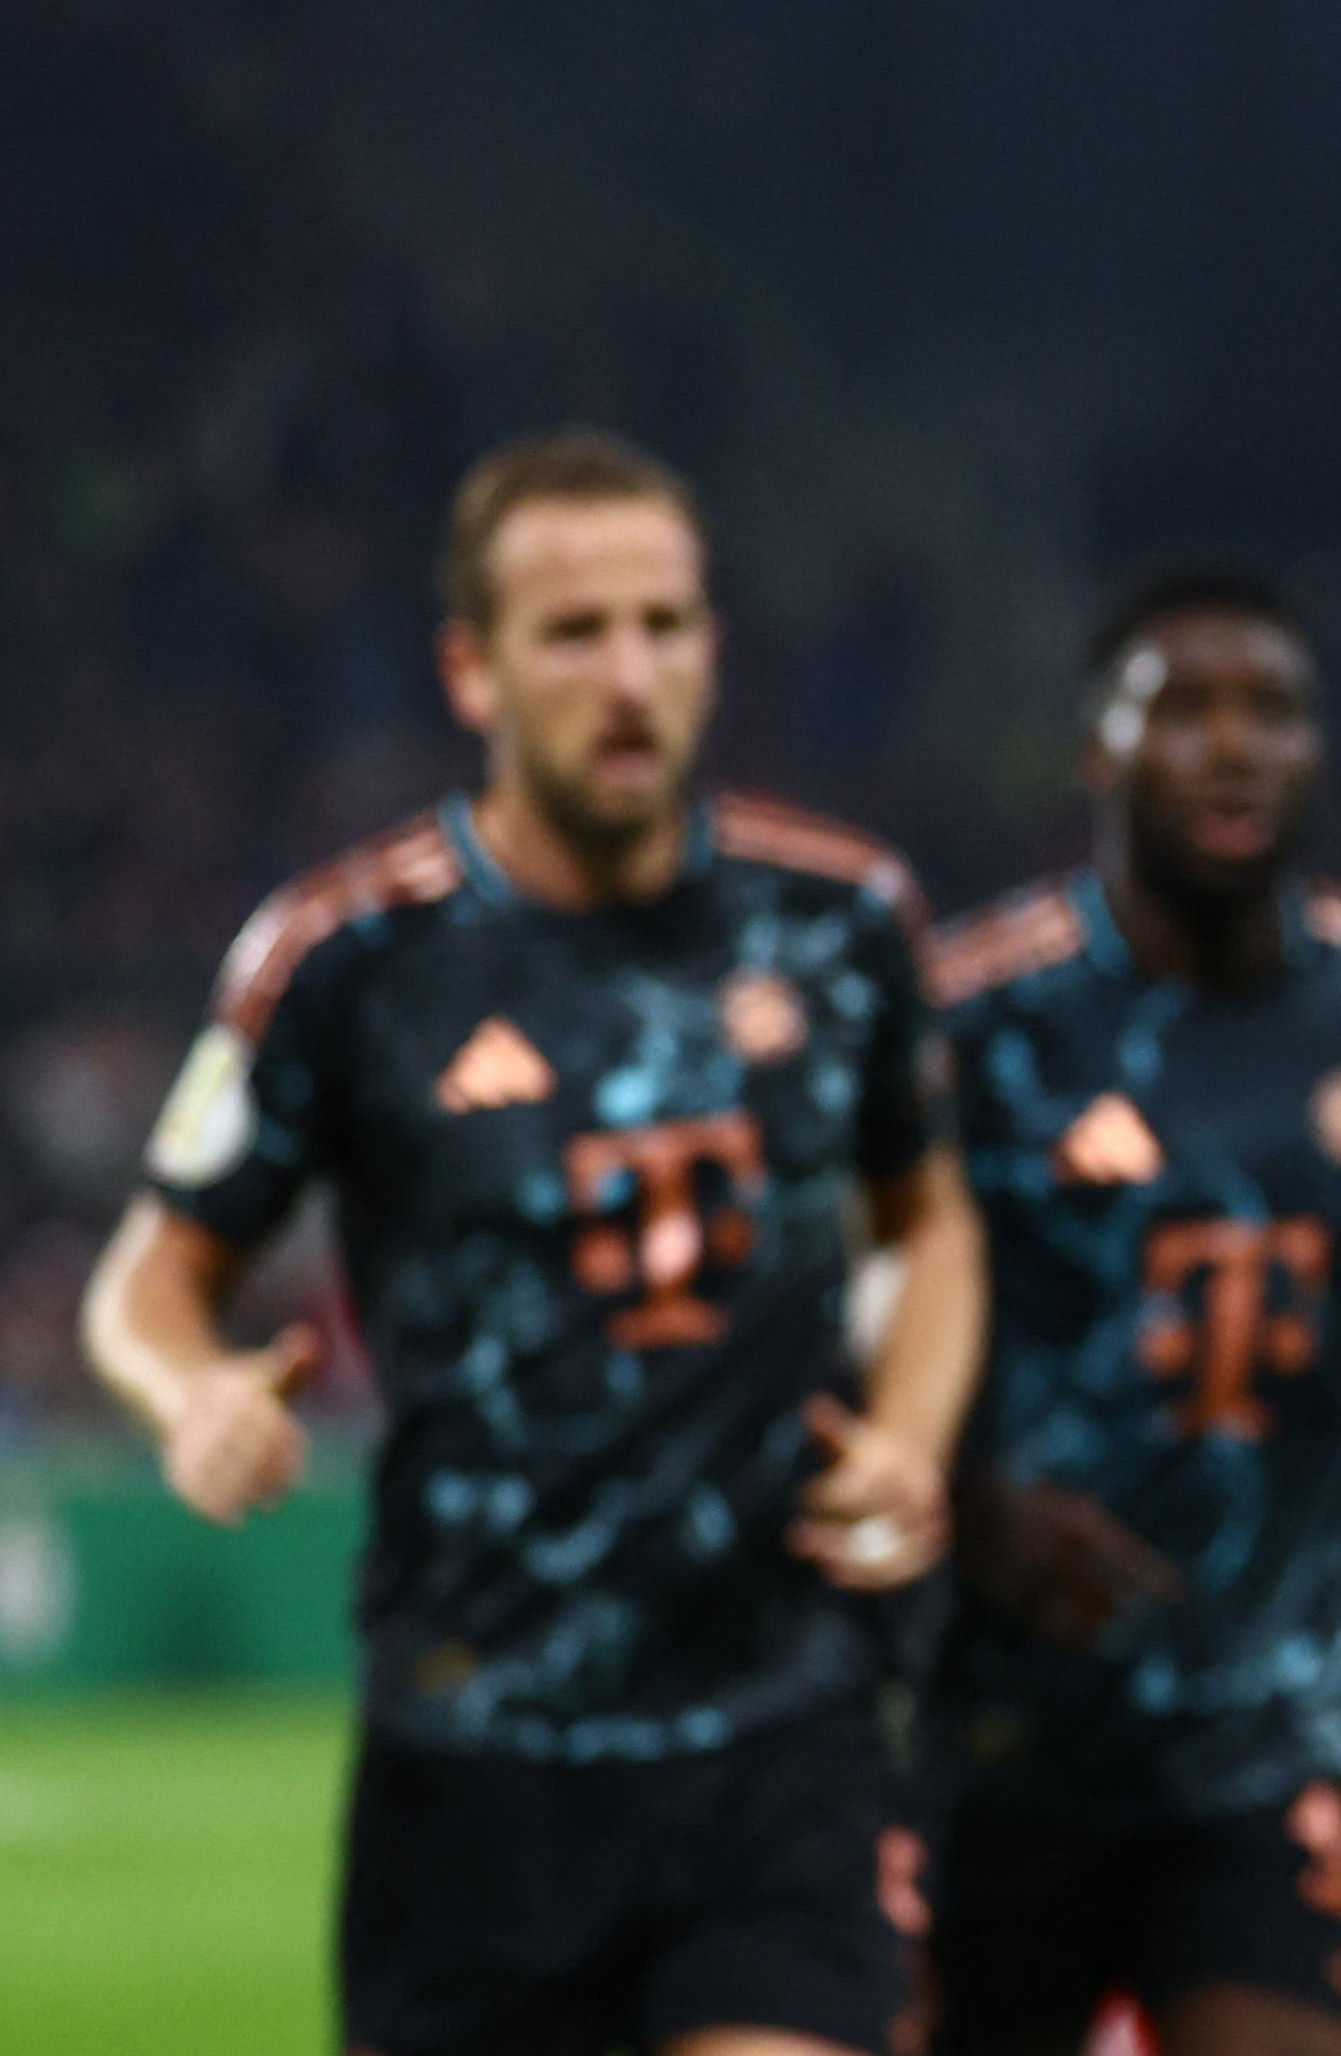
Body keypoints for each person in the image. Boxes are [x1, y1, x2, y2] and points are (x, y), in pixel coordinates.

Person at [80, 427, 986, 2056]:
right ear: (471, 668)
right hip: (474, 1749)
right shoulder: (344, 956)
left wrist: (913, 1437)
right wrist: (191, 1394)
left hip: (783, 1732)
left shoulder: (844, 920)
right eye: (575, 631)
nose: (629, 673)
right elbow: (151, 1275)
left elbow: (928, 1216)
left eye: (666, 623)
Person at [918, 569, 1341, 2056]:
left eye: (1271, 711)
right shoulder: (968, 1018)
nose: (1233, 745)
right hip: (1002, 1731)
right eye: (1182, 710)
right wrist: (966, 1507)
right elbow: (857, 1318)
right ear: (1096, 754)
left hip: (1281, 1728)